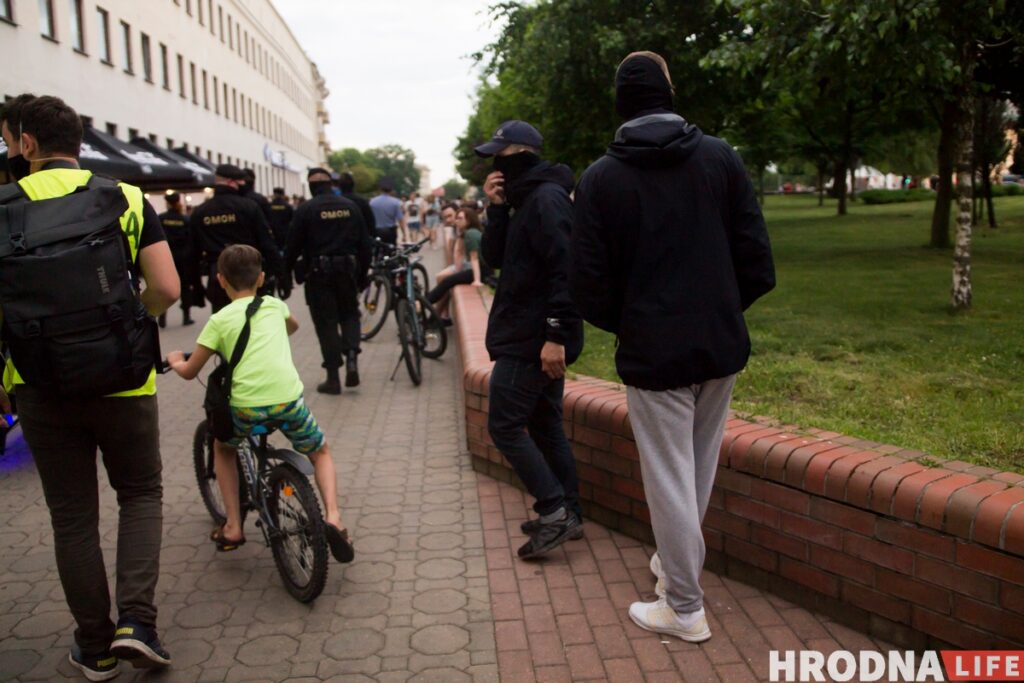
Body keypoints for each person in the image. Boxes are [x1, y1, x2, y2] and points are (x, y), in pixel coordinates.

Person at [570, 52, 776, 643]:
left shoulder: (600, 179)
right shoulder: (720, 159)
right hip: (718, 345)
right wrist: (716, 310)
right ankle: (673, 565)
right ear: (670, 92)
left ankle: (684, 607)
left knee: (670, 477)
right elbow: (757, 262)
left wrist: (638, 321)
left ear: (620, 103)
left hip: (654, 351)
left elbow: (586, 286)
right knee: (694, 471)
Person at [0, 94, 180, 679]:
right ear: (77, 141)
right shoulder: (125, 197)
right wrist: (131, 323)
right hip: (122, 380)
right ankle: (138, 623)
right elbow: (167, 288)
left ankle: (95, 645)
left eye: (8, 140)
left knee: (72, 517)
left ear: (27, 143)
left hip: (38, 384)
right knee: (140, 494)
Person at [167, 245, 355, 563]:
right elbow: (292, 327)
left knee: (223, 449)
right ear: (262, 278)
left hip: (245, 409)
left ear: (220, 281)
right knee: (320, 451)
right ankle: (334, 516)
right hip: (288, 402)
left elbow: (190, 372)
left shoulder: (219, 320)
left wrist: (174, 360)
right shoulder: (274, 305)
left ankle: (233, 527)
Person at [476, 120, 584, 559]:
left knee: (503, 425)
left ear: (520, 153)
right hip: (529, 333)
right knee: (543, 425)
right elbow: (494, 259)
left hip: (533, 338)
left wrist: (555, 335)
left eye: (500, 156)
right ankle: (569, 514)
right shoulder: (524, 201)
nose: (495, 165)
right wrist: (497, 208)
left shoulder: (546, 199)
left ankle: (555, 512)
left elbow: (568, 269)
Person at [286, 168, 372, 394]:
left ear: (312, 186)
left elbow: (292, 246)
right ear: (330, 183)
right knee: (350, 315)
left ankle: (333, 378)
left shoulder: (306, 209)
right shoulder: (350, 207)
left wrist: (284, 276)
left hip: (319, 274)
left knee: (326, 324)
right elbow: (365, 244)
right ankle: (352, 356)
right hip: (348, 272)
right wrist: (363, 275)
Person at [190, 164, 283, 312]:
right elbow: (267, 244)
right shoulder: (249, 206)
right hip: (250, 275)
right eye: (241, 182)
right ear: (231, 182)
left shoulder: (200, 212)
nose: (244, 185)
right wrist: (281, 274)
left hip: (219, 278)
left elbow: (193, 254)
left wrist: (196, 286)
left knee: (225, 325)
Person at [426, 206, 489, 323]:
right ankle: (429, 310)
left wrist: (477, 280)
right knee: (447, 281)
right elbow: (459, 254)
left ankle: (423, 303)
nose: (456, 221)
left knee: (447, 281)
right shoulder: (469, 232)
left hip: (481, 271)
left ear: (469, 220)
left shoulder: (471, 234)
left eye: (460, 218)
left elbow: (474, 258)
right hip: (479, 269)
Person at [159, 192, 203, 327]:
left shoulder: (161, 218)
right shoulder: (185, 219)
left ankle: (162, 317)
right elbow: (191, 239)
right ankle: (186, 316)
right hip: (183, 258)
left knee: (165, 288)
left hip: (166, 258)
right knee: (184, 287)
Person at [337, 171, 376, 236]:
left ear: (339, 186)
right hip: (360, 238)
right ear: (353, 185)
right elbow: (370, 222)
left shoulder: (335, 202)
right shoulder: (362, 201)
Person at [368, 180, 405, 246]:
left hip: (377, 231)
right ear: (391, 190)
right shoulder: (396, 202)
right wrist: (404, 234)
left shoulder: (372, 202)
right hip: (390, 232)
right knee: (392, 251)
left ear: (380, 189)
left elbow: (369, 218)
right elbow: (400, 220)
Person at [268, 187, 295, 253]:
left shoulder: (269, 206)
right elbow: (293, 219)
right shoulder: (288, 206)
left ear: (274, 194)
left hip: (273, 233)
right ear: (283, 194)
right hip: (285, 232)